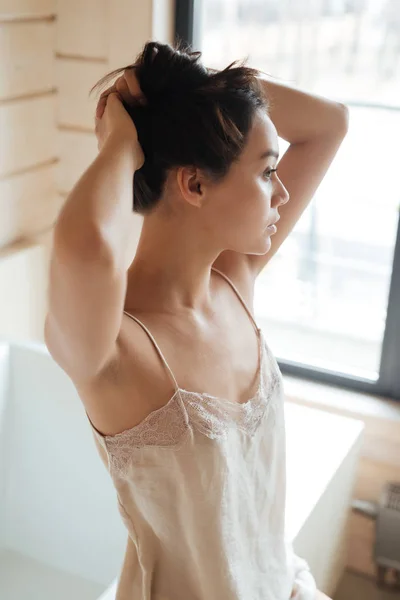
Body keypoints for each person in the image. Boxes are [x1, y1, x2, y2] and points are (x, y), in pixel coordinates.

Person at [45, 40, 348, 599]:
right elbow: (85, 249)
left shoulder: (236, 279)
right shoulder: (117, 349)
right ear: (194, 184)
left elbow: (329, 124)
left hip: (281, 584)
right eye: (266, 173)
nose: (282, 192)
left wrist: (185, 91)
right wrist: (120, 141)